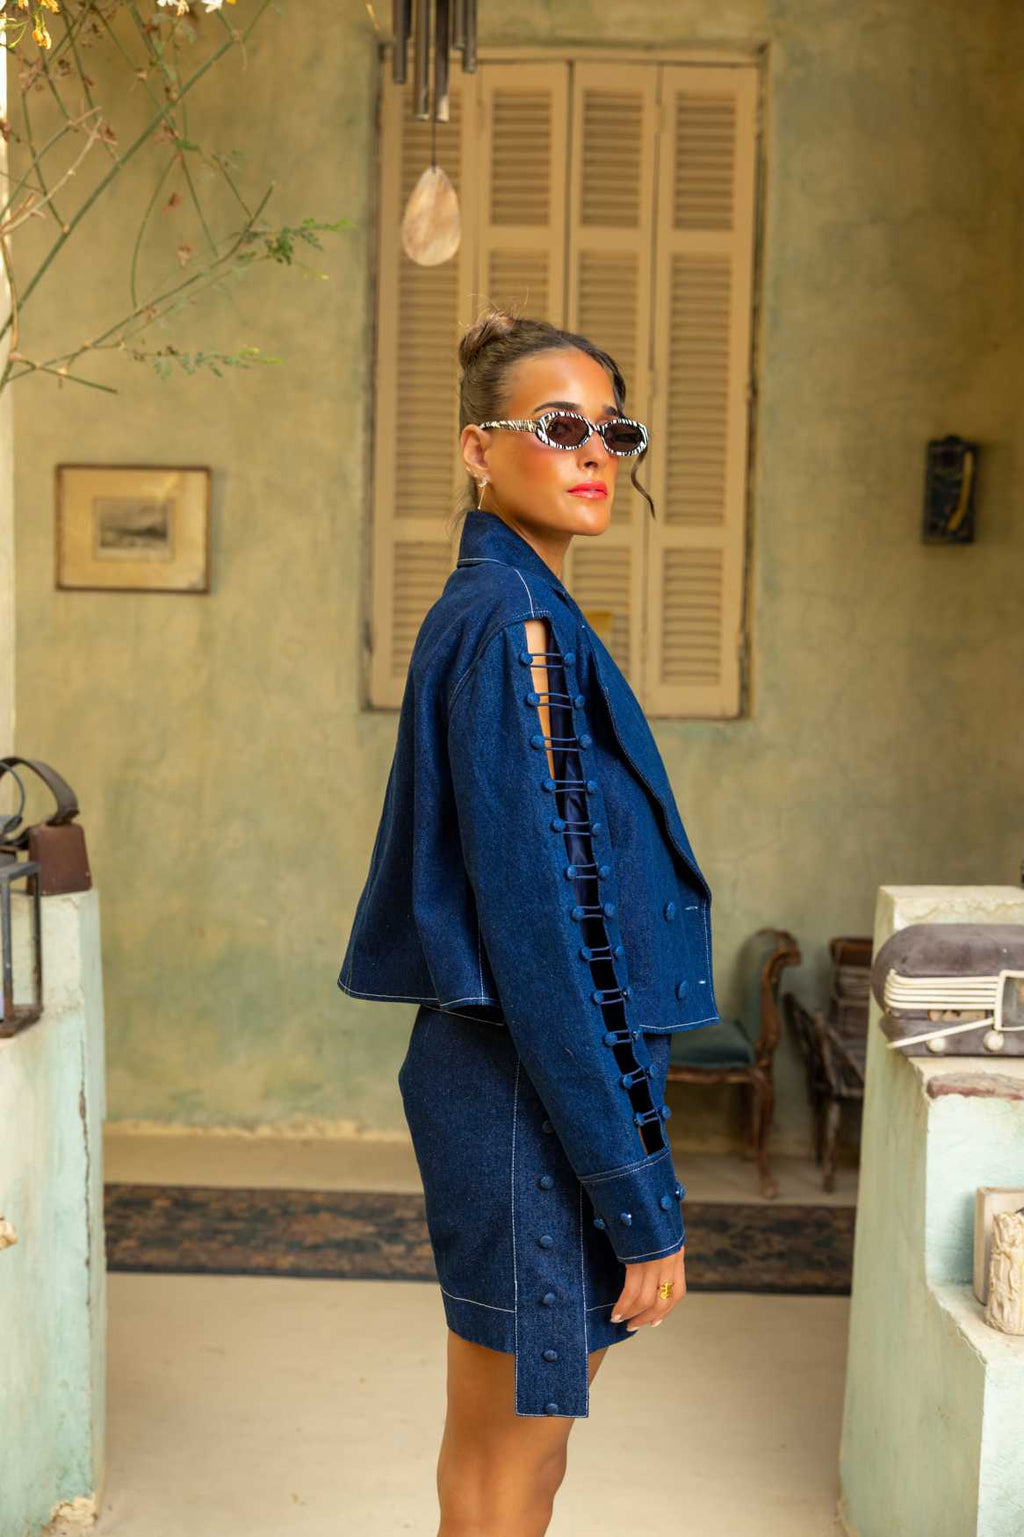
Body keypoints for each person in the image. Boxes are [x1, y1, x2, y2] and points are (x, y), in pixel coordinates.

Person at [338, 306, 719, 1535]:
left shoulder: (510, 613)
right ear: (478, 447)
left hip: (519, 1095)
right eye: (560, 426)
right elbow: (549, 945)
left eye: (615, 429)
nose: (595, 450)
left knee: (505, 1461)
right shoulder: (512, 628)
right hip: (529, 1107)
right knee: (510, 1469)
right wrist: (641, 1198)